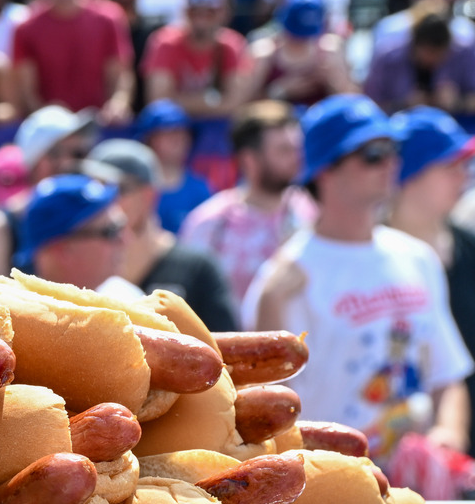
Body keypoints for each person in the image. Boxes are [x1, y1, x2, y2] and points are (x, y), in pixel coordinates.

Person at [243, 94, 471, 463]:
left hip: (416, 487)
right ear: (325, 170)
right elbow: (267, 408)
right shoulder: (283, 280)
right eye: (372, 154)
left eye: (392, 150)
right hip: (334, 486)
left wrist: (448, 435)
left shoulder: (417, 258)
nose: (390, 163)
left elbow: (447, 377)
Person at [385, 107, 475, 454]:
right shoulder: (370, 256)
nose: (463, 176)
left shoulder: (468, 246)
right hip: (393, 445)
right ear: (409, 175)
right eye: (450, 166)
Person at [89, 139, 239, 330]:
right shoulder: (82, 266)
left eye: (116, 189)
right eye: (94, 190)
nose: (104, 201)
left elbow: (226, 352)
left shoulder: (198, 269)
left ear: (148, 195)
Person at [179, 100, 316, 305]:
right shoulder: (210, 224)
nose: (295, 159)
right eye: (283, 151)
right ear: (249, 160)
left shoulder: (313, 213)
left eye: (296, 149)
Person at [0, 104, 97, 274]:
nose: (71, 163)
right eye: (56, 152)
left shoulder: (96, 221)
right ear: (36, 160)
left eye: (80, 153)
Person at [11, 0, 134, 123]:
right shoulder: (27, 25)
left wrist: (118, 104)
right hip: (52, 133)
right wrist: (50, 122)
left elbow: (121, 74)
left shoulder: (108, 18)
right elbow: (26, 91)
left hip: (98, 125)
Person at [21, 173, 141, 297]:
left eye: (121, 226)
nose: (126, 240)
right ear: (63, 250)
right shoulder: (13, 313)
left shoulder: (128, 298)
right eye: (111, 231)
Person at [142, 0, 249, 117]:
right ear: (185, 12)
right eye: (195, 11)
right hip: (175, 126)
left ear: (225, 13)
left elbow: (236, 103)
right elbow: (159, 102)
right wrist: (213, 101)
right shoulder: (165, 42)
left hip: (216, 127)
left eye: (210, 11)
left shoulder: (232, 45)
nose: (201, 19)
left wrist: (179, 100)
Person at [245, 0, 353, 107]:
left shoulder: (330, 50)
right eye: (295, 35)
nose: (300, 41)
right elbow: (242, 108)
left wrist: (333, 81)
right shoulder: (263, 52)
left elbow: (353, 104)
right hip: (275, 124)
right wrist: (279, 91)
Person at [364, 0, 475, 114]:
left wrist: (458, 102)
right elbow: (369, 106)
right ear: (416, 44)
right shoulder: (388, 58)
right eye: (429, 51)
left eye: (438, 53)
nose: (433, 59)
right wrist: (404, 104)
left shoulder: (464, 54)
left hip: (455, 128)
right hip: (398, 128)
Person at [134, 99, 213, 234]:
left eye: (183, 132)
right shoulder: (134, 192)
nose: (178, 138)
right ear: (149, 139)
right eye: (168, 132)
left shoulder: (202, 190)